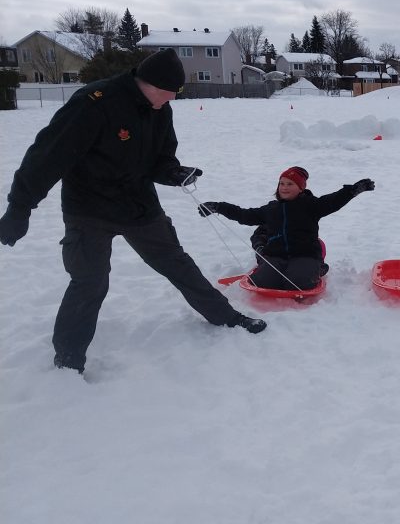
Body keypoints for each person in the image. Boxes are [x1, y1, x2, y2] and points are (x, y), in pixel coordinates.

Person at [0, 48, 266, 376]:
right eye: (173, 92)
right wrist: (19, 208)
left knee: (177, 263)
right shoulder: (94, 104)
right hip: (89, 209)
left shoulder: (159, 108)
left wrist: (172, 172)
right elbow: (47, 156)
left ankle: (226, 316)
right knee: (89, 282)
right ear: (151, 84)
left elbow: (161, 156)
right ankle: (68, 362)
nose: (174, 98)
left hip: (138, 205)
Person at [199, 167, 374, 290]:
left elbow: (333, 201)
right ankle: (276, 272)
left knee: (298, 284)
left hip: (304, 254)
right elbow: (245, 215)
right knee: (262, 283)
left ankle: (319, 268)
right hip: (277, 255)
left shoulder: (311, 205)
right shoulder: (271, 209)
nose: (284, 187)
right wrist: (218, 207)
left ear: (300, 188)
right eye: (282, 183)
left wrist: (352, 190)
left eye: (290, 184)